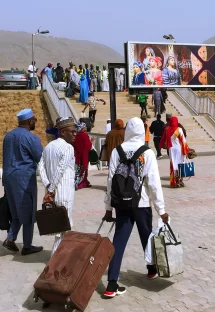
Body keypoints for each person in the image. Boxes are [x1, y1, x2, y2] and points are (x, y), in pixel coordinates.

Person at [103, 117, 169, 298]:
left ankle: (111, 284)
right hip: (142, 203)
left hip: (121, 204)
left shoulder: (117, 151)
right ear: (141, 132)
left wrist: (108, 206)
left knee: (119, 242)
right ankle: (151, 269)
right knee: (147, 237)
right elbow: (154, 183)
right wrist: (161, 210)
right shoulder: (147, 152)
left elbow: (110, 180)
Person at [2, 109, 43, 255]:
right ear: (30, 121)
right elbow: (41, 158)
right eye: (34, 119)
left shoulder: (8, 136)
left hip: (8, 179)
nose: (35, 122)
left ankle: (11, 238)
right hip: (24, 180)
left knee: (15, 212)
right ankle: (27, 246)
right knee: (28, 213)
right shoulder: (31, 138)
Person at [38, 117, 77, 255]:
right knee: (63, 227)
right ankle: (57, 258)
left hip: (52, 192)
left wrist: (47, 185)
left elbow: (40, 167)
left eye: (75, 131)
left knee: (61, 227)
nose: (74, 134)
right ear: (62, 132)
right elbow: (60, 169)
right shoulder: (68, 148)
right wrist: (51, 188)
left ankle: (61, 256)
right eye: (71, 131)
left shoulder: (48, 147)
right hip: (63, 193)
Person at [160, 116, 189, 187]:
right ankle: (180, 181)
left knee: (173, 165)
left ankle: (173, 182)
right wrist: (186, 150)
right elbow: (183, 140)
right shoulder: (179, 129)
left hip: (171, 149)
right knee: (180, 164)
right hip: (179, 149)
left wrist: (160, 146)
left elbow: (163, 138)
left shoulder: (167, 129)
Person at [74, 122, 94, 189]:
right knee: (83, 170)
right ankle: (81, 183)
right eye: (85, 127)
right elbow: (87, 146)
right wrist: (91, 141)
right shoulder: (85, 136)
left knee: (77, 170)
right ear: (82, 128)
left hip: (76, 156)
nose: (86, 128)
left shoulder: (75, 135)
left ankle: (78, 182)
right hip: (83, 156)